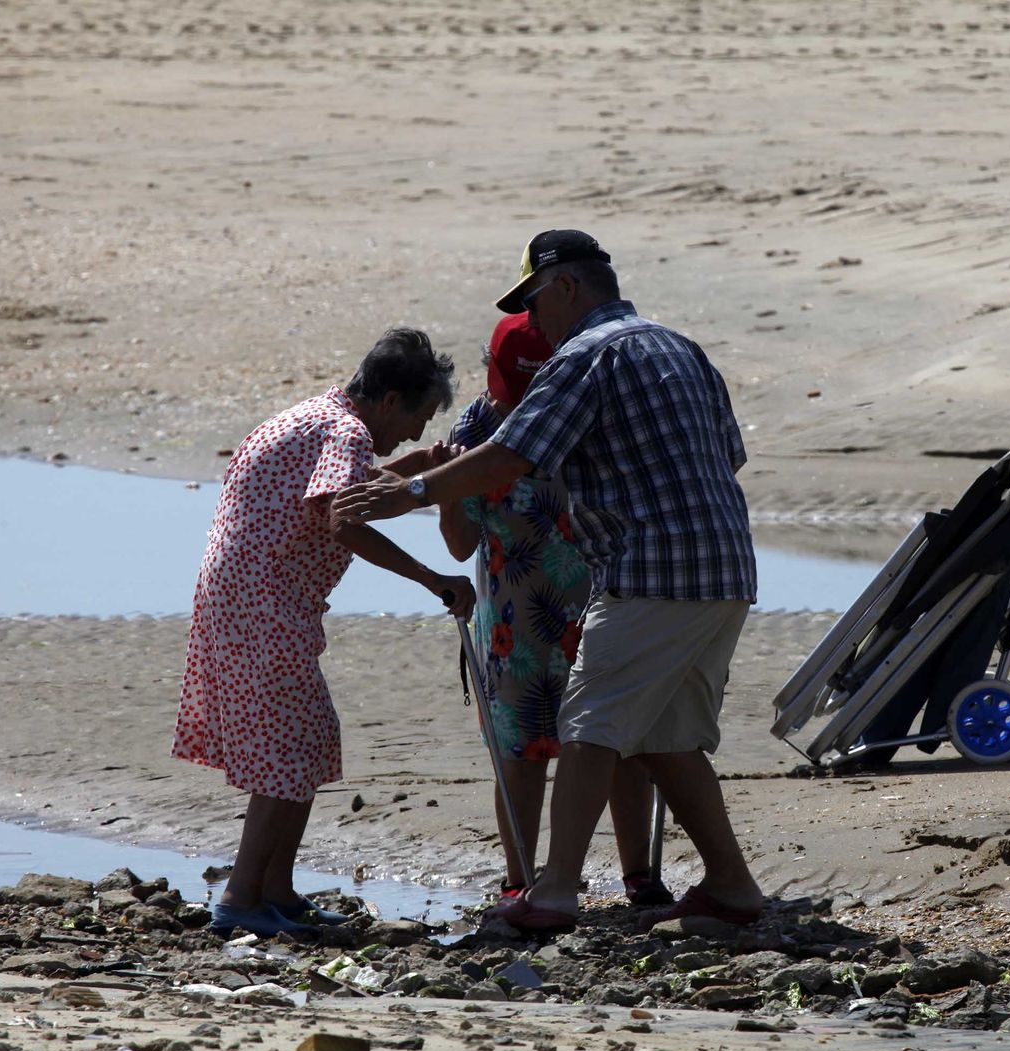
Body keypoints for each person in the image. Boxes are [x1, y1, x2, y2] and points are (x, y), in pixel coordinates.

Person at [336, 230, 764, 932]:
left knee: (587, 727)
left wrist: (408, 495)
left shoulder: (587, 355)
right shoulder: (677, 345)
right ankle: (733, 888)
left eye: (534, 304)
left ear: (566, 286)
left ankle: (554, 892)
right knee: (667, 739)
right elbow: (732, 455)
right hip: (725, 567)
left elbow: (509, 457)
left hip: (651, 572)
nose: (532, 324)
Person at [173, 328, 476, 936]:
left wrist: (419, 469)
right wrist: (432, 579)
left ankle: (277, 891)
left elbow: (346, 491)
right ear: (391, 401)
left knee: (304, 740)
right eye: (417, 416)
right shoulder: (346, 431)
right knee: (289, 748)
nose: (416, 431)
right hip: (262, 603)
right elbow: (344, 519)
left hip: (242, 597)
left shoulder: (320, 415)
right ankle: (240, 898)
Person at [442, 312, 671, 908]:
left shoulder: (585, 405)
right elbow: (460, 542)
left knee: (615, 742)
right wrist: (445, 485)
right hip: (514, 621)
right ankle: (520, 877)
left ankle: (639, 875)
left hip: (598, 600)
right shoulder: (477, 427)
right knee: (521, 752)